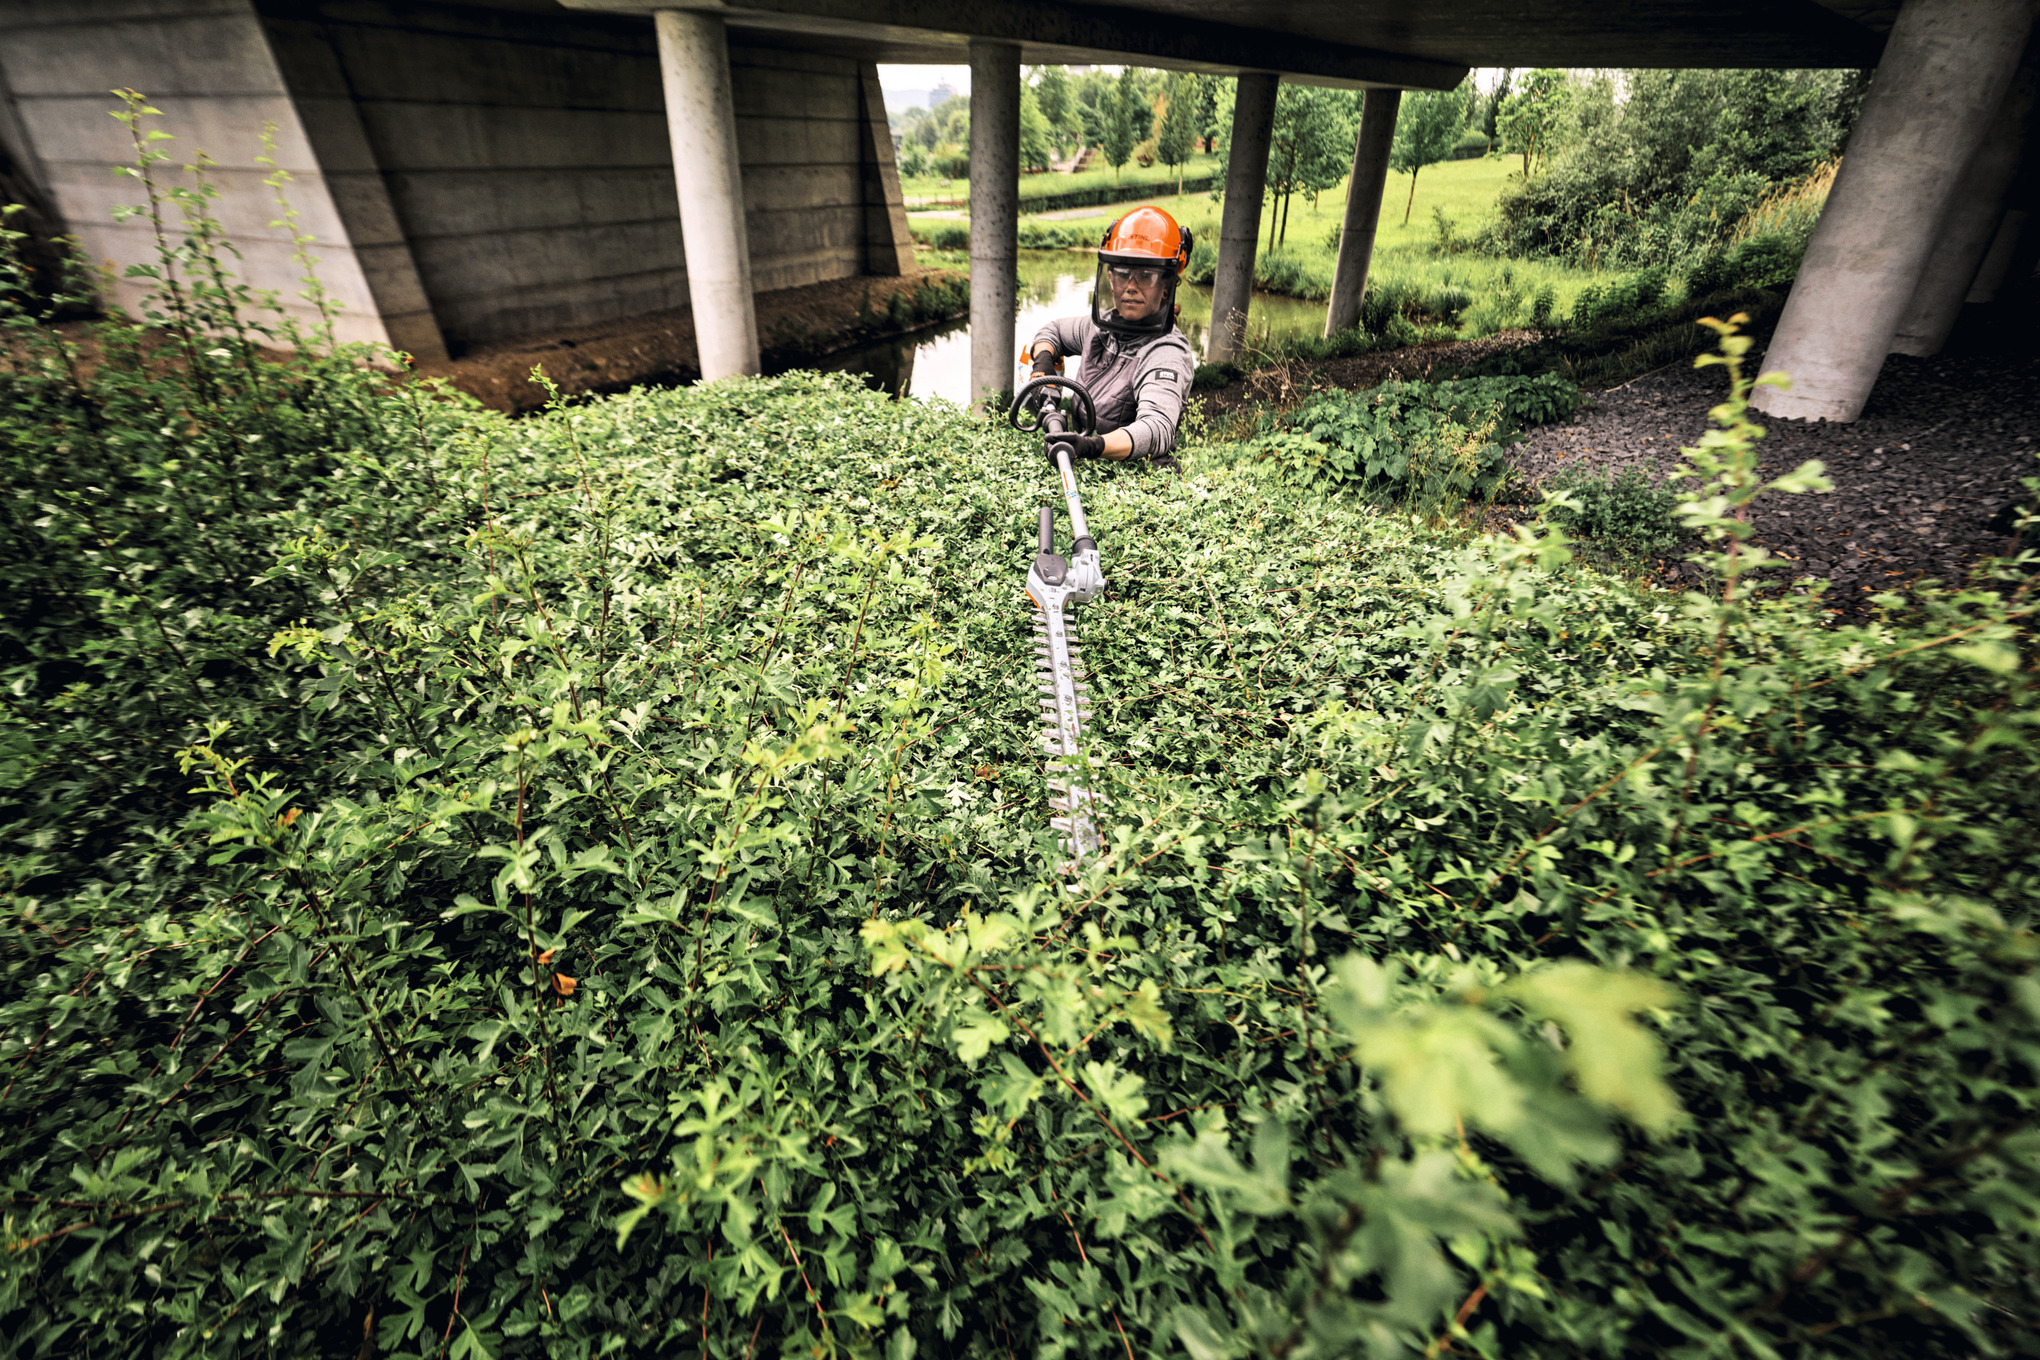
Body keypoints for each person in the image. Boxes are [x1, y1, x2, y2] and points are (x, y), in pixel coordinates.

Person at [1025, 206, 1197, 468]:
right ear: (1110, 278)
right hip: (1085, 463)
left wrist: (1092, 446)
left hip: (1136, 480)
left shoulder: (1166, 351)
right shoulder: (1100, 329)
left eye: (1146, 275)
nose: (1131, 286)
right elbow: (1054, 331)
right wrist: (1043, 364)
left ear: (1166, 286)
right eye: (1123, 273)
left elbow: (1157, 428)